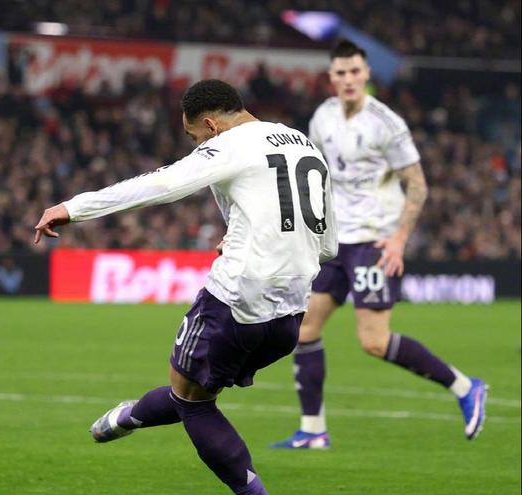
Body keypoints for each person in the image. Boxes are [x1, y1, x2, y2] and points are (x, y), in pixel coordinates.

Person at [34, 79, 337, 494]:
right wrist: (249, 237)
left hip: (235, 299)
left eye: (195, 138)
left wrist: (74, 208)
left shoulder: (229, 144)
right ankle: (129, 416)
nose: (197, 146)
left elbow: (162, 184)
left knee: (193, 404)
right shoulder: (304, 144)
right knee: (191, 390)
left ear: (211, 126)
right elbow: (328, 246)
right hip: (290, 315)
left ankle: (140, 420)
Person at [271, 40, 487, 450]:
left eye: (355, 71)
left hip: (373, 241)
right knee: (305, 329)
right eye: (341, 73)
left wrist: (399, 239)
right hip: (335, 242)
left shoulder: (386, 124)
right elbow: (318, 176)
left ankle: (465, 386)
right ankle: (313, 429)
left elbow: (417, 184)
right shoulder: (322, 117)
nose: (349, 79)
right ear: (331, 77)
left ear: (367, 74)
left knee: (373, 341)